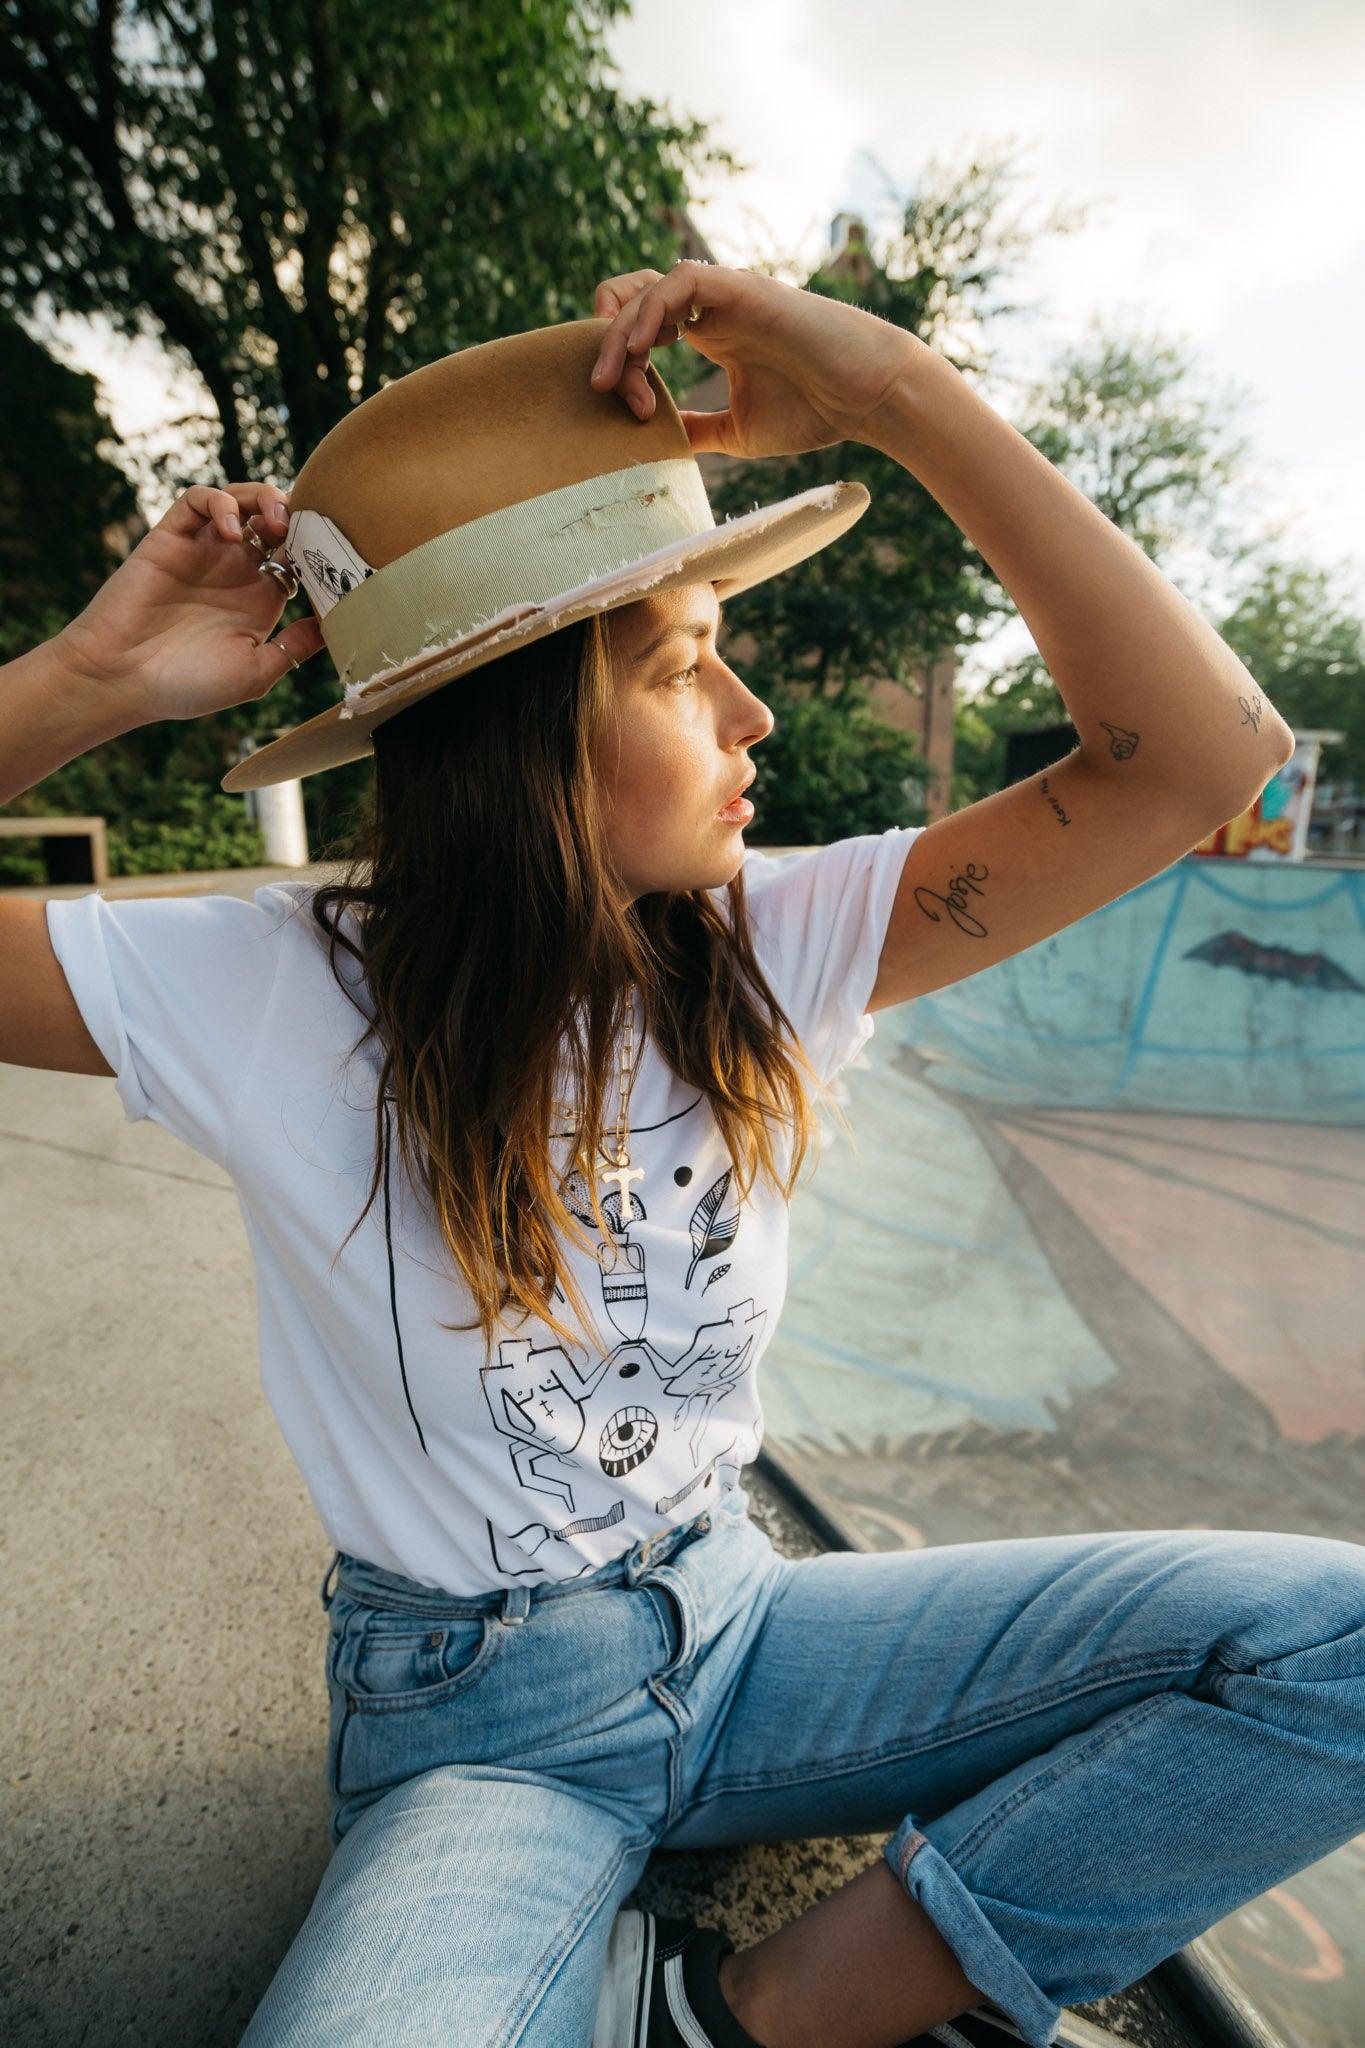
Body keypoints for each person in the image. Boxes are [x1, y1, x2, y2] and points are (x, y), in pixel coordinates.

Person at [2, 261, 1361, 2048]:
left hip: (752, 1637)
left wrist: (897, 389)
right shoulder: (268, 990)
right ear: (531, 730)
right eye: (683, 669)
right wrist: (96, 677)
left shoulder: (787, 937)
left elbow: (1198, 755)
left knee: (1334, 1649)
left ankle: (763, 2016)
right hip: (485, 1732)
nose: (754, 722)